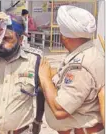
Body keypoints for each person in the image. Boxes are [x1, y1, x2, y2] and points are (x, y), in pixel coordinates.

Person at [38, 5, 104, 134]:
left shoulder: (80, 68)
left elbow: (60, 110)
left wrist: (45, 78)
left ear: (65, 37)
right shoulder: (90, 52)